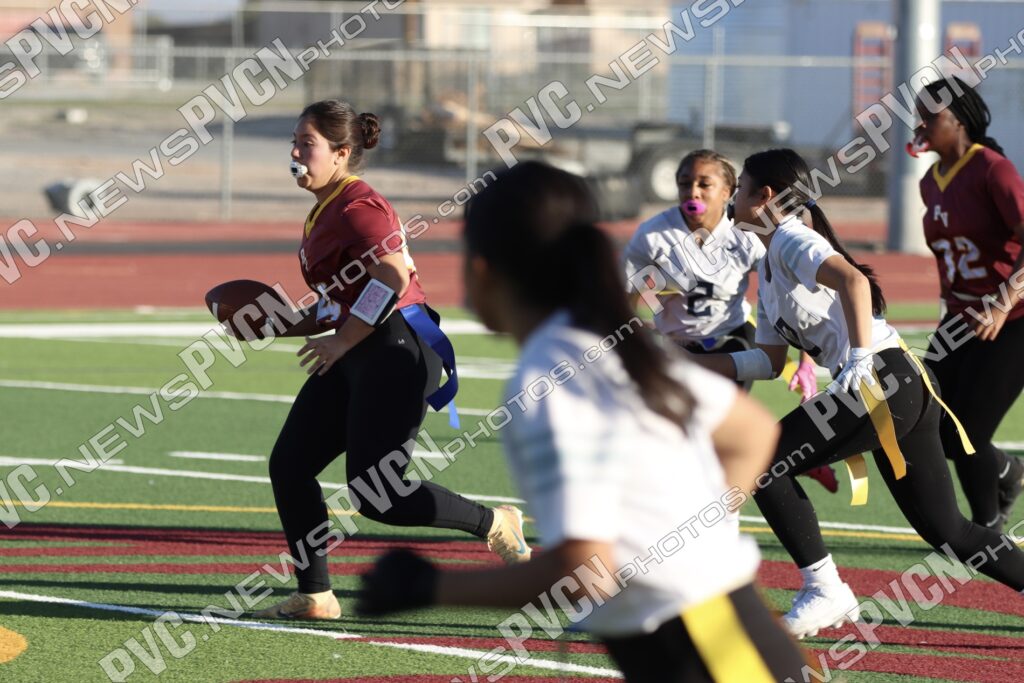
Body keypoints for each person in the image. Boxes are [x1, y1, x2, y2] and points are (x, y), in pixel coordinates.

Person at [355, 161, 809, 683]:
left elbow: (582, 572)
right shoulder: (609, 344)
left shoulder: (550, 377)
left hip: (705, 652)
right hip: (734, 632)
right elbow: (753, 433)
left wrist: (431, 586)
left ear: (482, 270)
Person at [687, 148, 1024, 639]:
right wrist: (681, 362)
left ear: (765, 197)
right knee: (949, 531)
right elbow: (768, 362)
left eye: (740, 190)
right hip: (899, 384)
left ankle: (825, 589)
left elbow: (854, 281)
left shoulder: (791, 237)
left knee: (761, 459)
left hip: (884, 378)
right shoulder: (771, 261)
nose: (734, 199)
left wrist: (861, 361)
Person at [250, 100, 531, 621]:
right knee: (290, 465)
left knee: (378, 495)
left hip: (395, 351)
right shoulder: (328, 205)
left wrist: (341, 341)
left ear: (341, 153)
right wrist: (277, 324)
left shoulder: (358, 207)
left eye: (306, 144)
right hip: (362, 347)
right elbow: (340, 300)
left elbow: (393, 278)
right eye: (294, 142)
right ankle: (316, 594)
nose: (295, 153)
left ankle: (495, 522)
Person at [624, 149, 836, 493]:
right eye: (684, 183)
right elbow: (624, 302)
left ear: (728, 192)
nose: (693, 192)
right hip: (677, 347)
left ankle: (757, 477)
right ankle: (796, 457)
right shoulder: (653, 235)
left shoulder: (746, 233)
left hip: (731, 341)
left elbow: (793, 292)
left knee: (707, 432)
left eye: (704, 184)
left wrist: (805, 362)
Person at [911, 77, 1024, 530]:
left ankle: (986, 530)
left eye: (931, 115)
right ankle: (1008, 472)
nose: (921, 124)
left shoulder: (994, 170)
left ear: (959, 120)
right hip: (962, 317)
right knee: (928, 421)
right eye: (918, 114)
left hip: (1013, 316)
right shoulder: (930, 182)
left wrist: (1002, 303)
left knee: (968, 431)